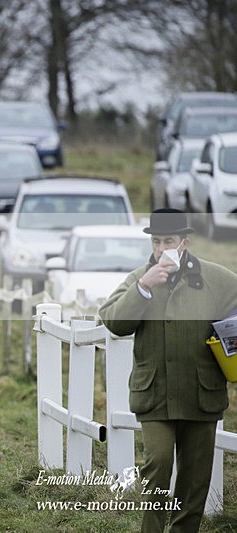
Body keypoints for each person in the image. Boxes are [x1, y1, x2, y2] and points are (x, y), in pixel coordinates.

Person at [99, 208, 237, 532]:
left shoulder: (215, 278)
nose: (162, 248)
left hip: (201, 393)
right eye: (156, 241)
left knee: (195, 479)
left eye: (169, 241)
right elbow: (113, 321)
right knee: (157, 464)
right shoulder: (138, 278)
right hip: (155, 394)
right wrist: (143, 289)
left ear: (184, 242)